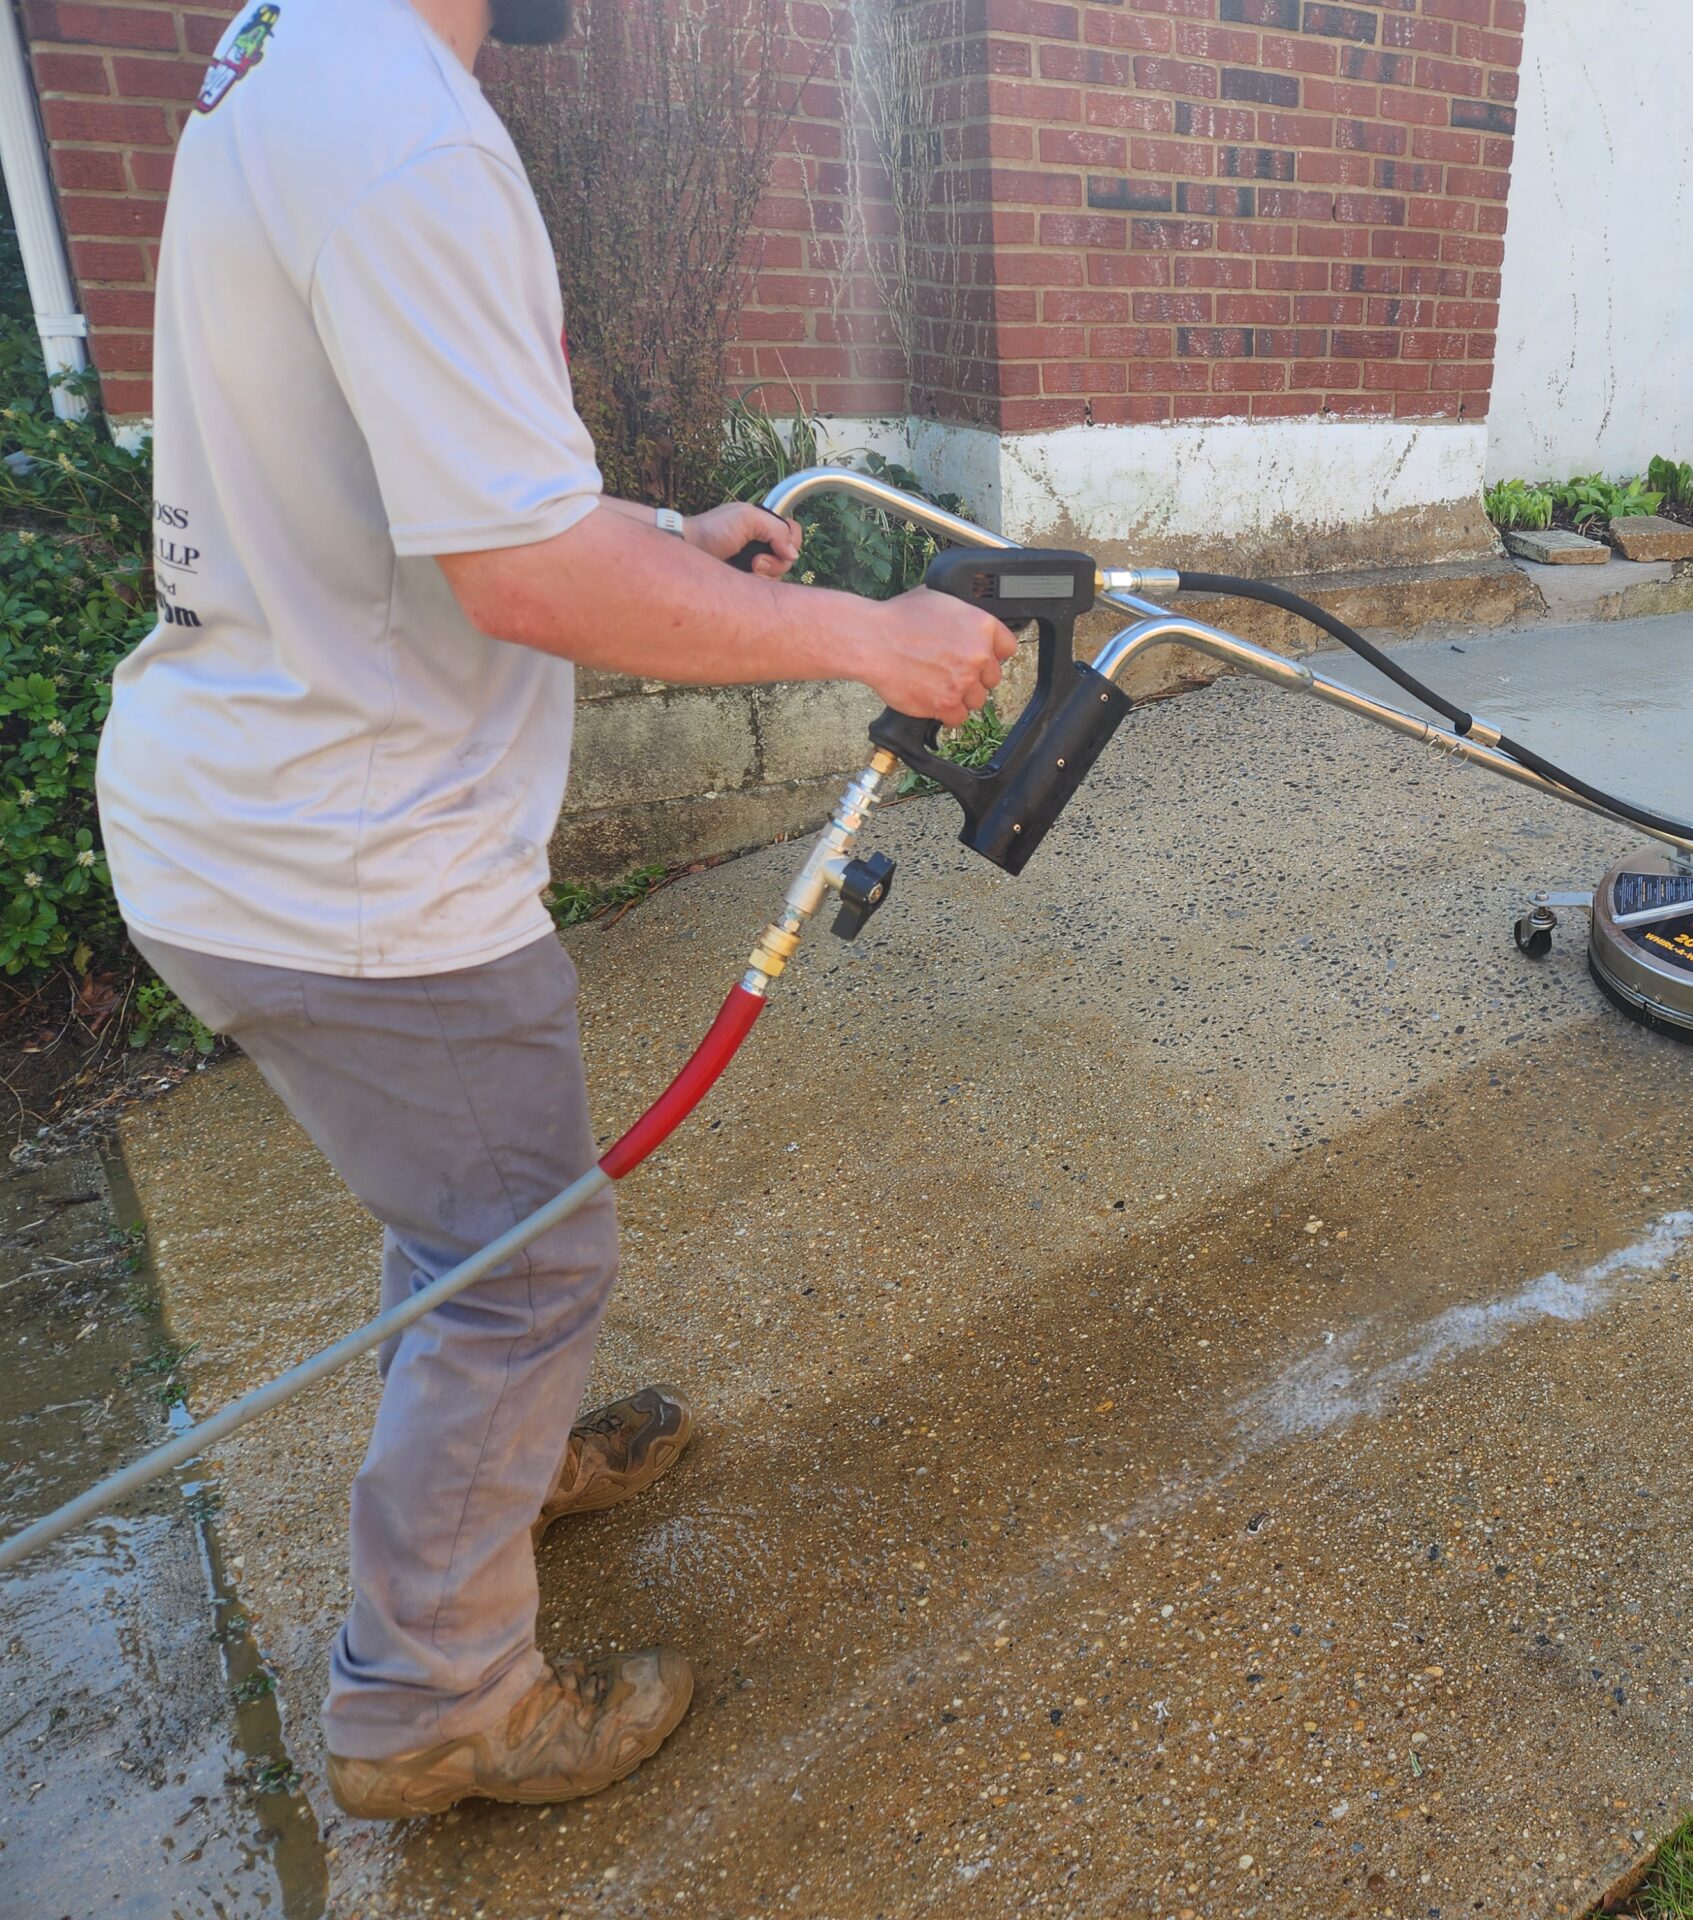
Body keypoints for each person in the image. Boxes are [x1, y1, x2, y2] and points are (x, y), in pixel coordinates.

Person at [94, 0, 1015, 1817]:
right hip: (350, 856)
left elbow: (420, 477)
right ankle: (434, 1699)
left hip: (261, 806)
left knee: (469, 1236)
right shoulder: (405, 126)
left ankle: (489, 1481)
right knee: (526, 1270)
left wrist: (655, 530)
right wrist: (866, 635)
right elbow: (517, 576)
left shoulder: (289, 51)